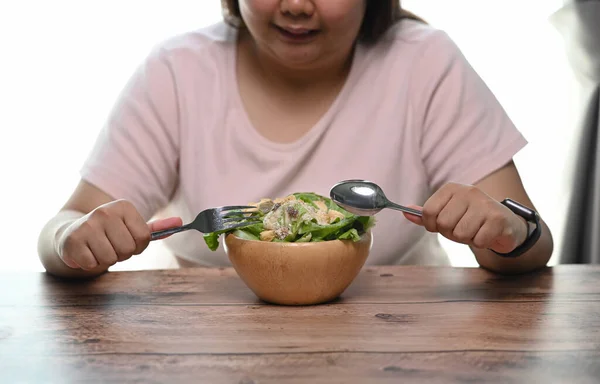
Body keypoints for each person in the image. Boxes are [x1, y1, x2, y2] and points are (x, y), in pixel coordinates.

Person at [37, 0, 553, 279]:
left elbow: (534, 240)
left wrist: (506, 230)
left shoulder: (425, 61)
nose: (296, 6)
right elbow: (63, 229)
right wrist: (73, 241)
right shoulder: (177, 69)